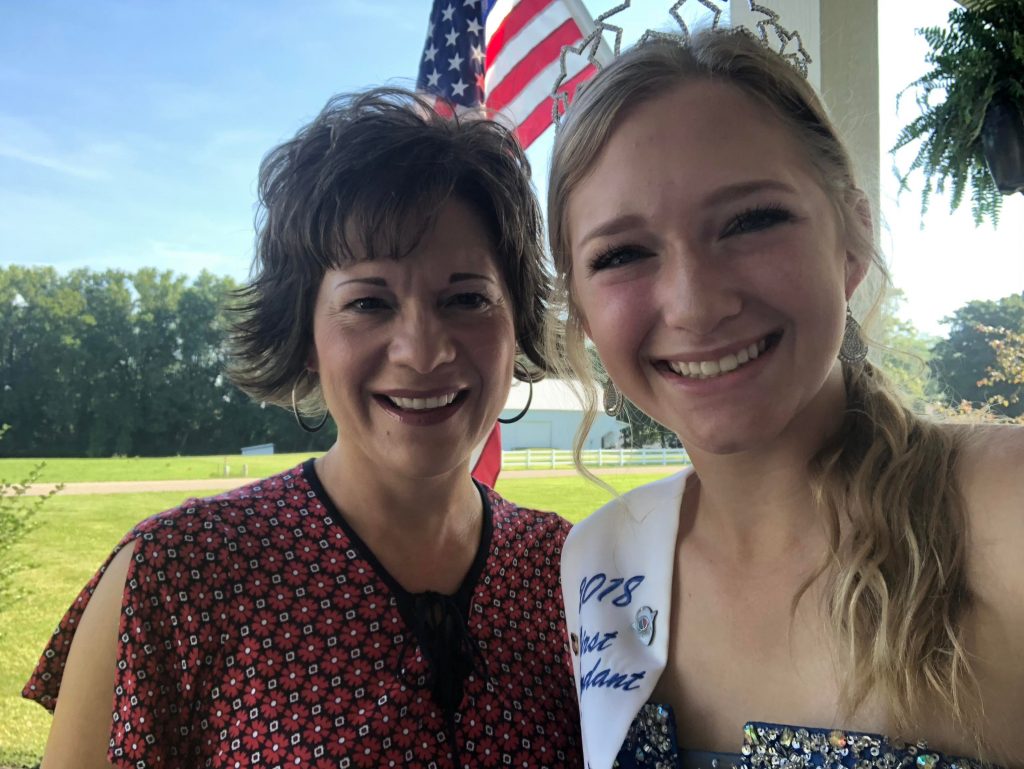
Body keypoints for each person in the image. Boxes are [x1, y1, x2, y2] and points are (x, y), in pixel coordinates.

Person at [24, 87, 582, 769]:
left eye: (466, 298)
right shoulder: (179, 575)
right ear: (306, 335)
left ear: (516, 320)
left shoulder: (579, 574)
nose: (422, 349)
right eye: (368, 303)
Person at [545, 28, 1024, 769]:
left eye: (751, 220)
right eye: (623, 254)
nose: (694, 304)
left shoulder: (1001, 513)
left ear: (853, 236)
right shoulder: (599, 561)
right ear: (578, 307)